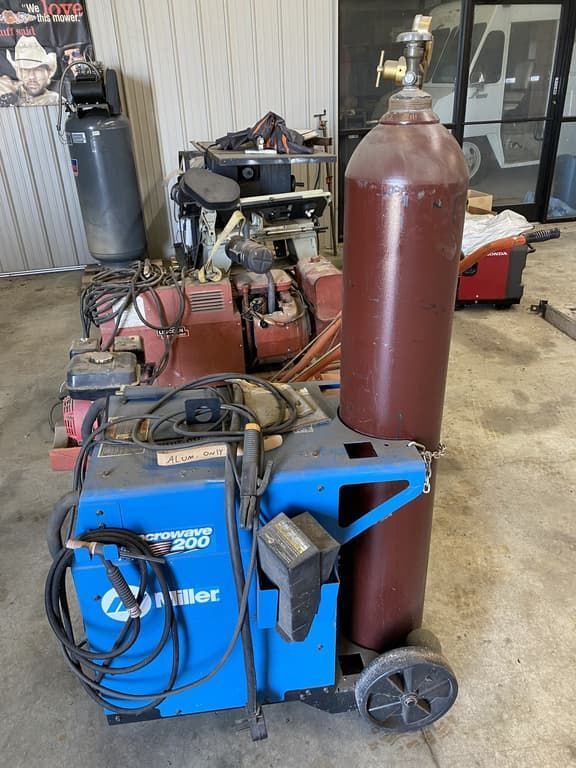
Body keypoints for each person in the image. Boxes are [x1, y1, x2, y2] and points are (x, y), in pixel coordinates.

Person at [7, 36, 60, 106]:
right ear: (19, 73)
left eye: (38, 70)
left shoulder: (57, 100)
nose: (32, 76)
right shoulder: (8, 99)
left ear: (48, 73)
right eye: (25, 70)